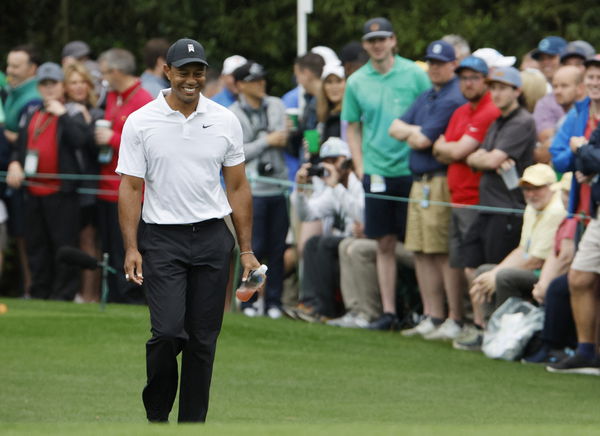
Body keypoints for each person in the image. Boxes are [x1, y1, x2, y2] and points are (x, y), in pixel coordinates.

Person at [117, 38, 259, 422]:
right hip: (161, 238)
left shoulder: (224, 119)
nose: (191, 79)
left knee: (202, 342)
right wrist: (131, 247)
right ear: (168, 71)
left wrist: (246, 249)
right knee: (166, 333)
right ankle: (158, 414)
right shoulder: (141, 121)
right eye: (184, 72)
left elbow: (238, 187)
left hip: (213, 237)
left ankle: (192, 424)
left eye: (198, 72)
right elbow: (130, 187)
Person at [342, 17, 430, 330]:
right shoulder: (356, 81)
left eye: (382, 39)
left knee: (420, 243)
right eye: (371, 40)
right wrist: (360, 165)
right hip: (377, 170)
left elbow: (431, 112)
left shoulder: (414, 74)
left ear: (393, 40)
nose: (377, 45)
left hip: (413, 168)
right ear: (365, 45)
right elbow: (351, 126)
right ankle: (390, 312)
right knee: (384, 244)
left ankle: (426, 311)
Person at [453, 66, 537, 350]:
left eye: (503, 87)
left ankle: (497, 329)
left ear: (517, 91)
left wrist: (482, 158)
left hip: (507, 209)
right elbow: (478, 157)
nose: (496, 93)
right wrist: (482, 158)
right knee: (471, 266)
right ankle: (483, 326)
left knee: (493, 274)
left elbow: (487, 160)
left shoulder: (521, 121)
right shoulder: (497, 121)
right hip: (487, 206)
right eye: (494, 88)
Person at [388, 40, 467, 340]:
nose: (434, 68)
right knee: (420, 250)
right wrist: (416, 132)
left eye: (440, 63)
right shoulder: (427, 95)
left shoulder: (453, 96)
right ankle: (432, 316)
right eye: (431, 63)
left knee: (441, 251)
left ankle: (453, 317)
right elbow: (395, 128)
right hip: (419, 182)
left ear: (452, 65)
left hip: (439, 181)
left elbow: (422, 141)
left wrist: (415, 133)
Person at [5, 62, 92, 300]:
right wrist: (14, 163)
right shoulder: (33, 112)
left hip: (62, 193)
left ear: (62, 86)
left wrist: (62, 115)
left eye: (53, 84)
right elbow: (20, 148)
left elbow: (81, 141)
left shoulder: (73, 111)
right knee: (37, 247)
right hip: (34, 192)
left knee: (64, 247)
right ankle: (39, 293)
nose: (48, 89)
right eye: (44, 85)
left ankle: (63, 295)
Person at [431, 56, 500, 336]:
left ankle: (480, 324)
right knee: (458, 263)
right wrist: (452, 150)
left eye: (474, 78)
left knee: (473, 266)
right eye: (464, 78)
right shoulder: (461, 112)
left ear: (486, 80)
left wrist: (451, 150)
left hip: (476, 200)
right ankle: (460, 320)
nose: (468, 83)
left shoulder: (489, 111)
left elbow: (455, 151)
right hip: (455, 196)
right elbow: (440, 148)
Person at [228, 61, 289, 319]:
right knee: (255, 247)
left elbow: (283, 135)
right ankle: (249, 299)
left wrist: (265, 141)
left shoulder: (275, 104)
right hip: (253, 190)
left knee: (277, 248)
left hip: (278, 185)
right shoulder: (232, 114)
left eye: (262, 79)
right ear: (240, 85)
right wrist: (266, 141)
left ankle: (273, 301)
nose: (261, 84)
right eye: (254, 81)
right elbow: (238, 151)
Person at [96, 48, 153, 303]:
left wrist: (113, 139)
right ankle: (117, 295)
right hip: (108, 187)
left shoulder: (143, 99)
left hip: (132, 190)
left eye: (105, 72)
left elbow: (149, 144)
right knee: (112, 247)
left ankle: (134, 296)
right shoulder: (112, 96)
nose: (103, 79)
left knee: (132, 246)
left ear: (117, 71)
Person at [468, 164, 565, 311]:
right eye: (526, 189)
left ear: (551, 187)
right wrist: (493, 273)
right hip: (537, 269)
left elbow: (537, 260)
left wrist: (496, 274)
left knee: (503, 277)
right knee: (485, 271)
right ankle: (491, 328)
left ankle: (507, 329)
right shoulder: (532, 207)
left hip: (553, 273)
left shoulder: (556, 210)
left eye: (537, 188)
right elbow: (523, 250)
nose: (531, 194)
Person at [290, 137, 364, 321]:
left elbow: (361, 215)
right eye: (326, 161)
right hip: (345, 239)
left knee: (325, 243)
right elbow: (308, 214)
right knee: (312, 243)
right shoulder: (331, 188)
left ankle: (324, 308)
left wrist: (336, 186)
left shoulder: (357, 182)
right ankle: (309, 303)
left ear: (346, 160)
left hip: (361, 237)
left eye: (334, 160)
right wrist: (299, 188)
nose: (330, 166)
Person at [63, 62, 104, 303]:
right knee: (71, 239)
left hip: (90, 186)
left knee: (89, 239)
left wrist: (87, 121)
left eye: (82, 82)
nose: (78, 87)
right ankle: (73, 291)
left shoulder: (98, 112)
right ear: (66, 87)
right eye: (73, 82)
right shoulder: (61, 110)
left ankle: (90, 295)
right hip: (66, 187)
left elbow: (91, 146)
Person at [3, 44, 42, 297]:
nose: (10, 70)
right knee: (19, 234)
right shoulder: (12, 92)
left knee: (27, 235)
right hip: (11, 173)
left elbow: (26, 138)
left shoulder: (33, 98)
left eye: (16, 66)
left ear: (32, 69)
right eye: (8, 64)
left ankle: (31, 288)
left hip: (26, 176)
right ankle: (27, 287)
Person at [533, 66, 585, 163]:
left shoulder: (583, 114)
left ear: (580, 88)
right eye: (555, 86)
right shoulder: (567, 116)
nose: (557, 91)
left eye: (564, 86)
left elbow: (545, 154)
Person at [317, 63, 346, 142]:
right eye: (329, 82)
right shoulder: (325, 115)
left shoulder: (352, 115)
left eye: (338, 81)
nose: (334, 87)